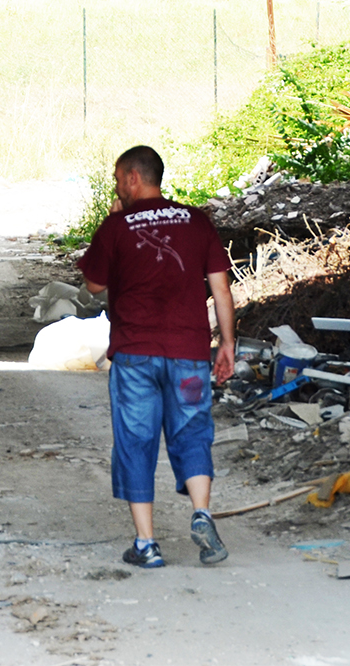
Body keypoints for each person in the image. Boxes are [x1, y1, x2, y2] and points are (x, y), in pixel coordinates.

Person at [80, 145, 236, 568]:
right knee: (193, 433)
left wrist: (113, 221)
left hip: (135, 359)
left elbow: (94, 285)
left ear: (133, 178)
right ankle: (201, 514)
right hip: (188, 357)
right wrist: (226, 345)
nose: (118, 188)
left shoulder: (118, 226)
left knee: (136, 443)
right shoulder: (197, 221)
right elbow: (221, 290)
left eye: (117, 180)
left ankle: (146, 544)